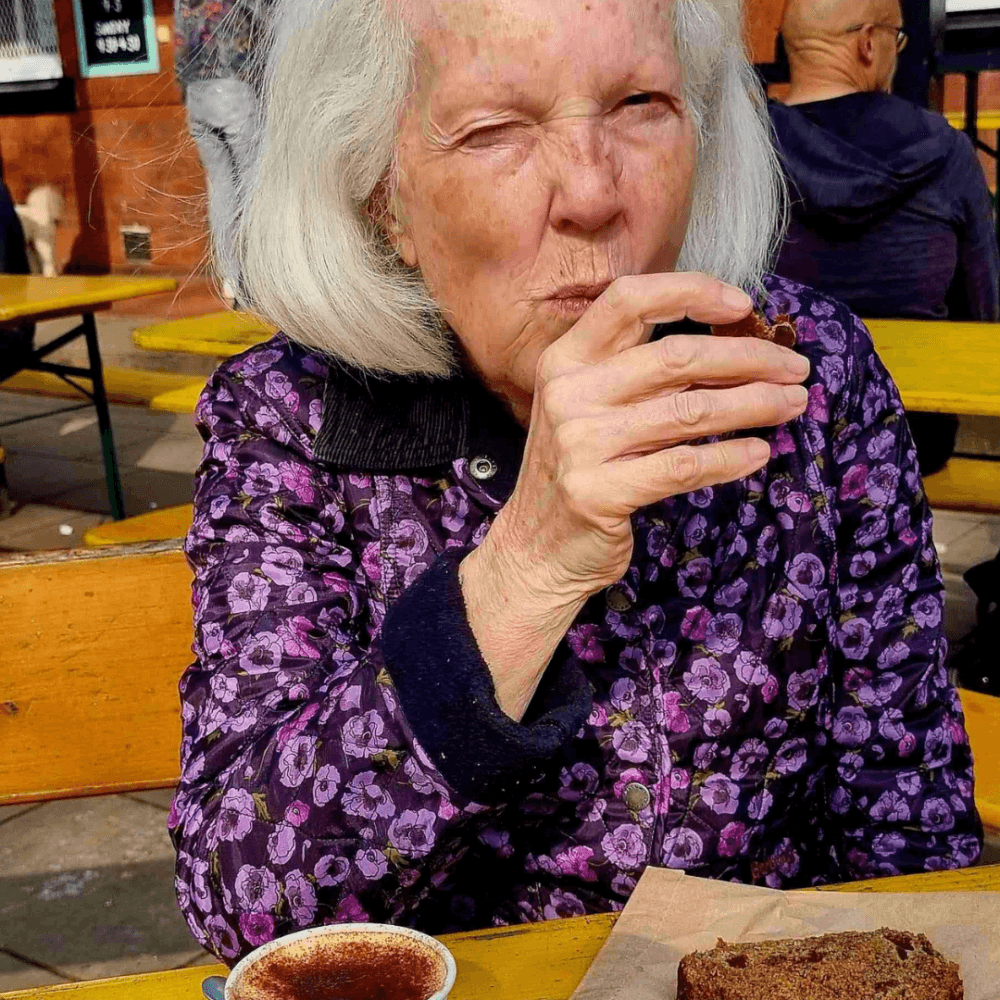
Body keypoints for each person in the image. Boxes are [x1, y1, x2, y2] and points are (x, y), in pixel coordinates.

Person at [169, 0, 982, 965]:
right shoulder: (291, 418)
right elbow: (244, 905)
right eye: (495, 129)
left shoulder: (809, 373)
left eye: (642, 103)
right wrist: (529, 563)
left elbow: (907, 817)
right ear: (384, 199)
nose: (593, 193)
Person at [769, 0, 1000, 477]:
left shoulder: (747, 150)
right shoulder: (947, 150)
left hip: (777, 425)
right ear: (868, 44)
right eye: (898, 40)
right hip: (912, 436)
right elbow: (984, 307)